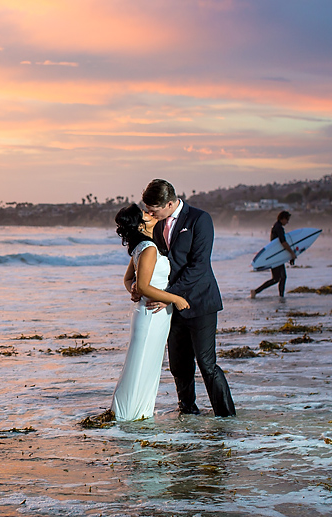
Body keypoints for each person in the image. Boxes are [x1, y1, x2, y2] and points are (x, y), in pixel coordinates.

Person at [141, 179, 236, 417]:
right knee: (179, 364)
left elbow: (199, 266)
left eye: (154, 209)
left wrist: (170, 295)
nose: (149, 213)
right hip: (173, 305)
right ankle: (188, 410)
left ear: (170, 203)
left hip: (201, 301)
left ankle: (225, 416)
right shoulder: (157, 224)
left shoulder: (200, 219)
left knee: (207, 364)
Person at [111, 204, 190, 421]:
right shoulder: (148, 248)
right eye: (145, 214)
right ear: (139, 224)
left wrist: (133, 290)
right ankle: (130, 414)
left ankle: (136, 413)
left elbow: (129, 281)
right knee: (142, 364)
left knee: (145, 364)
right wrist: (175, 299)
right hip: (150, 315)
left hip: (149, 313)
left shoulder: (143, 247)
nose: (150, 214)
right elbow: (143, 286)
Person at [251, 211, 296, 299]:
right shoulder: (279, 228)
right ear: (282, 218)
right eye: (287, 219)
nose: (287, 222)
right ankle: (256, 291)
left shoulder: (277, 226)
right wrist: (291, 253)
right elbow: (283, 242)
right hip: (275, 257)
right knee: (278, 278)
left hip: (276, 256)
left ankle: (281, 296)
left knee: (279, 278)